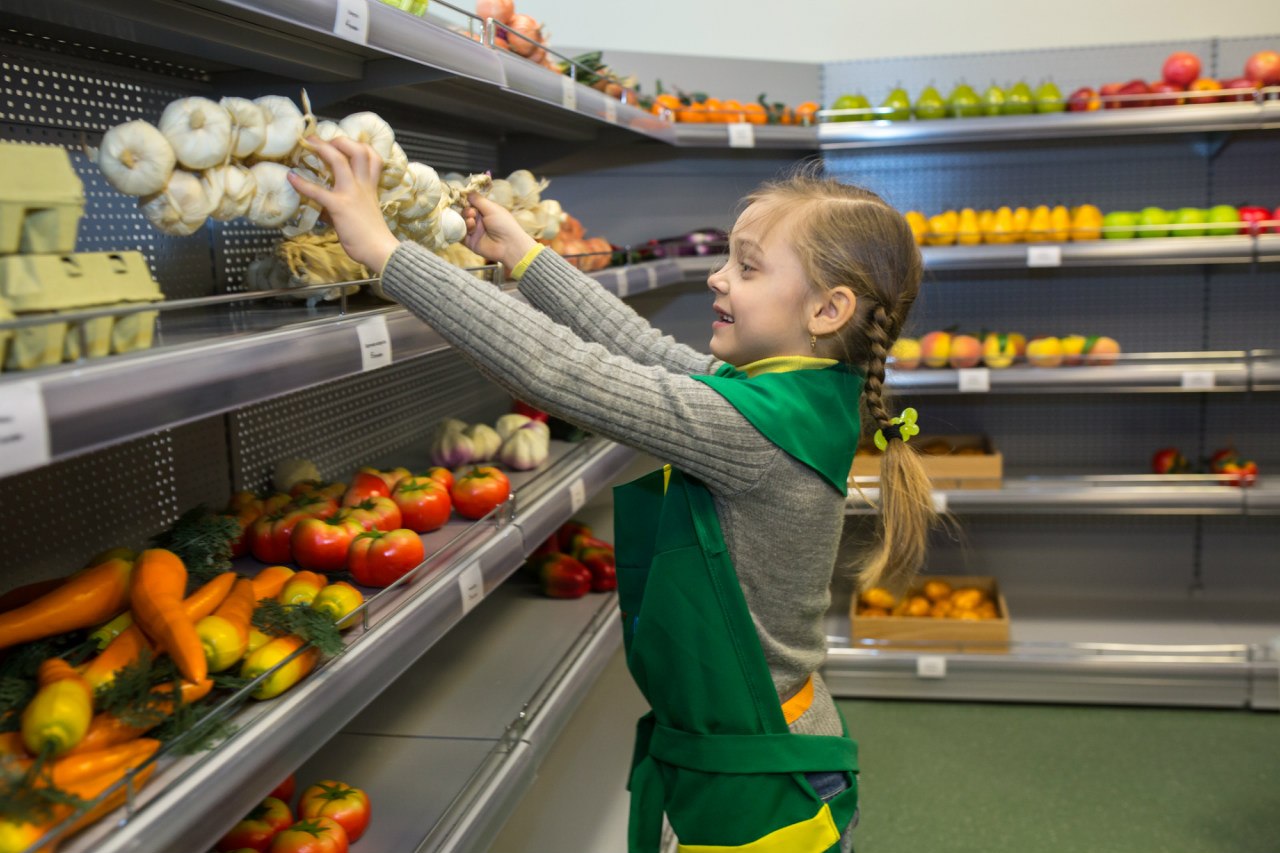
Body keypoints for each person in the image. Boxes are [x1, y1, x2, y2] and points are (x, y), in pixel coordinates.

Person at [289, 139, 935, 853]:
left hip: (757, 782)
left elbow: (560, 370)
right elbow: (645, 350)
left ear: (826, 309)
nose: (719, 279)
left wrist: (385, 252)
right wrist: (527, 257)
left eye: (747, 267)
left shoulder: (756, 429)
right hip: (762, 742)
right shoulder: (798, 396)